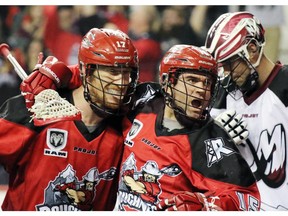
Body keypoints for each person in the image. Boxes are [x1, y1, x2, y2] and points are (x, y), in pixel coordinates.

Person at [0, 28, 139, 211]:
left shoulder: (130, 125)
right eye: (113, 72)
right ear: (85, 70)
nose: (123, 83)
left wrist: (61, 71)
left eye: (128, 73)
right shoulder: (36, 107)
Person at [113, 44, 260, 211]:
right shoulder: (143, 101)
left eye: (207, 83)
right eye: (192, 80)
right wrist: (75, 76)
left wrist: (206, 206)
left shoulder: (209, 140)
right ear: (168, 82)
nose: (202, 90)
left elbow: (247, 198)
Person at [205, 11, 288, 211]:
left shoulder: (285, 85)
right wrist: (216, 133)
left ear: (252, 49)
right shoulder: (225, 96)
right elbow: (206, 159)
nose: (226, 73)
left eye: (229, 63)